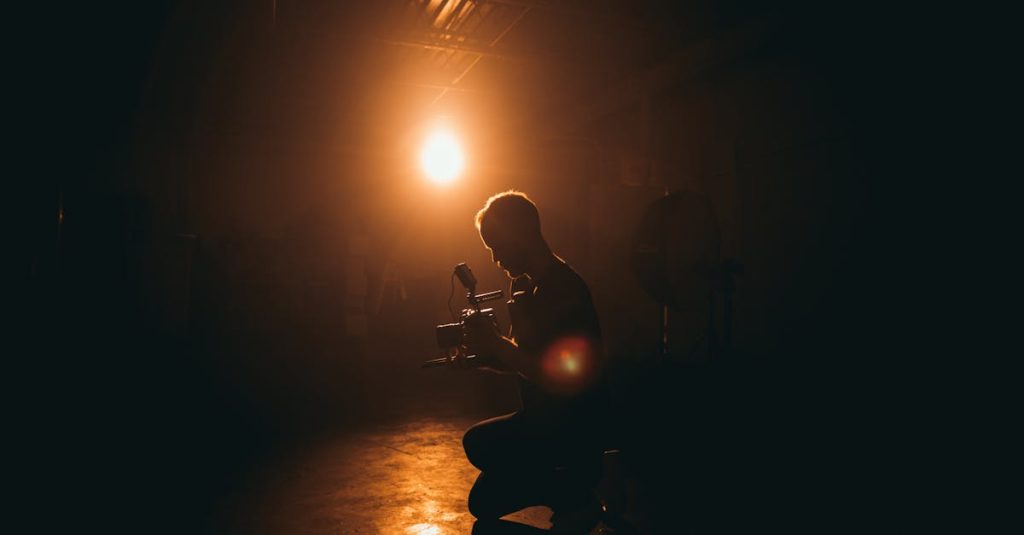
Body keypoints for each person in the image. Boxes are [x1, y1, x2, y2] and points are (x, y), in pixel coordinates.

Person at [462, 191, 608, 534]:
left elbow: (561, 377)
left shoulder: (563, 289)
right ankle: (566, 490)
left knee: (478, 443)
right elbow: (528, 362)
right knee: (481, 503)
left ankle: (575, 493)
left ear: (523, 234)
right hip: (544, 419)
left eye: (498, 245)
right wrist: (484, 355)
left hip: (572, 426)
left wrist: (498, 346)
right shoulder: (529, 288)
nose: (496, 258)